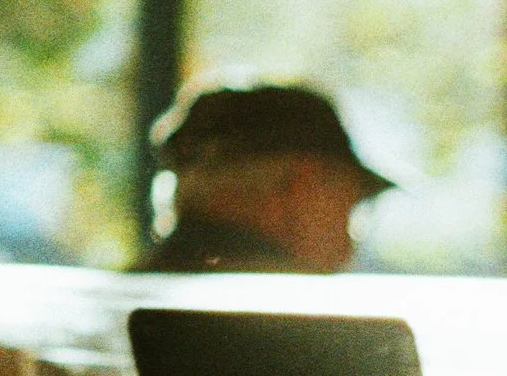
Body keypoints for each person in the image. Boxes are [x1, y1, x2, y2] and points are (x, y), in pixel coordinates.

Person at [147, 83, 391, 276]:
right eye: (350, 204)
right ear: (303, 186)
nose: (351, 243)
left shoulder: (132, 295)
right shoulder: (297, 313)